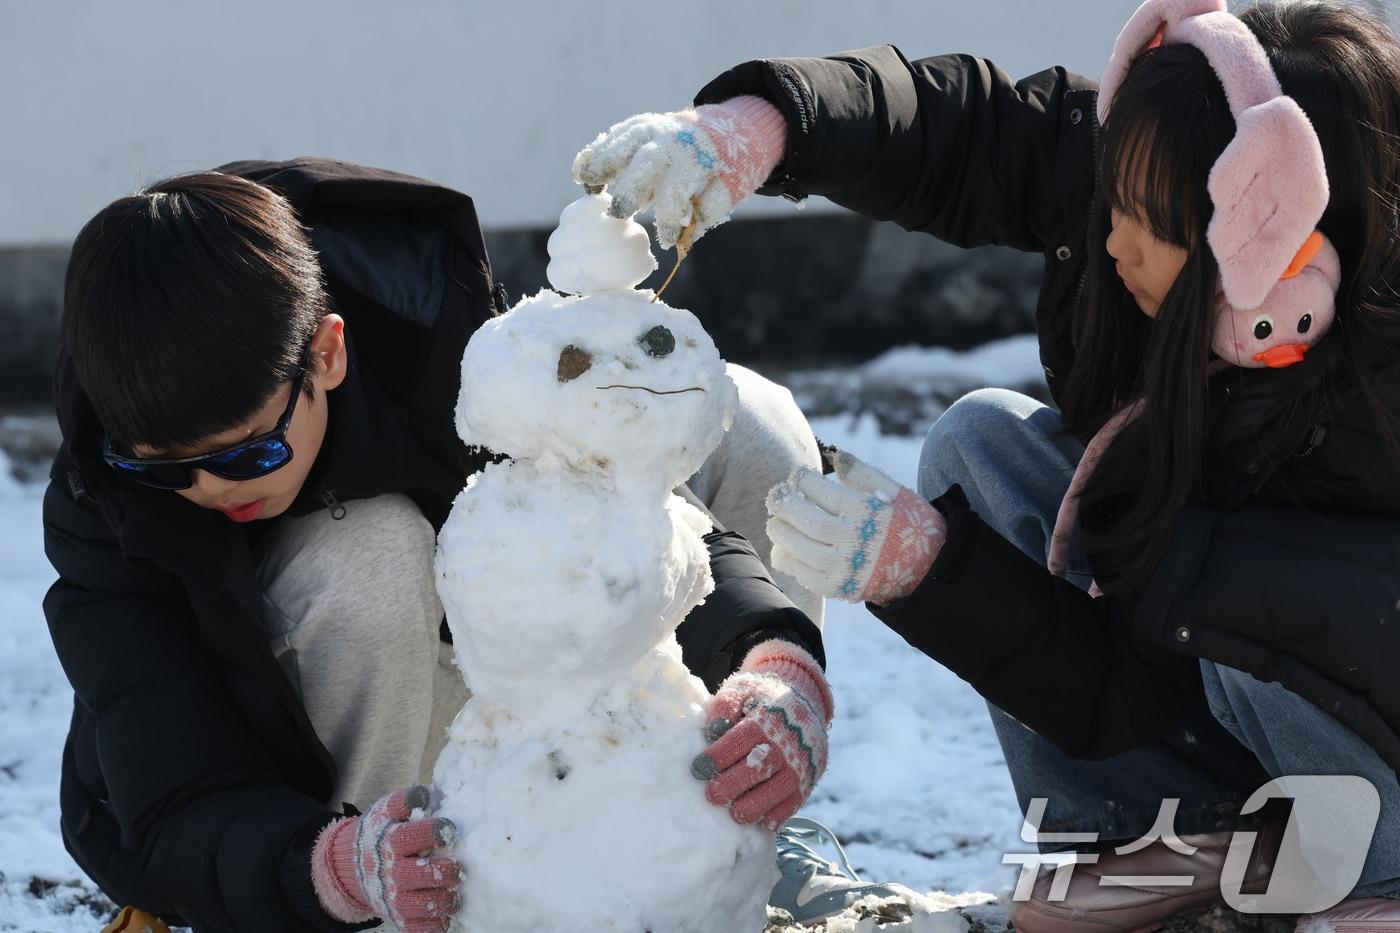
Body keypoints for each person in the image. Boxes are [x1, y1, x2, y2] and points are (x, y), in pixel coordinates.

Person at [574, 0, 1400, 929]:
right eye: (1109, 201)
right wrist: (760, 128)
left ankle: (1372, 875)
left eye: (1145, 223)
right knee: (984, 446)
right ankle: (1157, 843)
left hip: (1370, 744)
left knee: (1257, 586)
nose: (1110, 240)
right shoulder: (1154, 177)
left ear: (1282, 260)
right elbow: (960, 127)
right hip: (1213, 655)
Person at [43, 159, 832, 932]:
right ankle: (385, 897)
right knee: (372, 552)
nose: (210, 489)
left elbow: (630, 513)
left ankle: (732, 807)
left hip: (479, 700)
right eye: (167, 469)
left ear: (328, 352)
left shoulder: (438, 342)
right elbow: (176, 785)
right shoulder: (104, 490)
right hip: (289, 820)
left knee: (753, 423)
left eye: (248, 453)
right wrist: (330, 866)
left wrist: (771, 654)